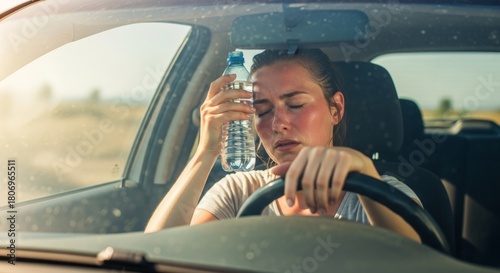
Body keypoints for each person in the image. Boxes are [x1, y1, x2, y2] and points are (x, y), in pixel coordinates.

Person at [145, 49, 421, 242]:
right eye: (262, 111)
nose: (278, 124)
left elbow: (419, 264)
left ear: (335, 109)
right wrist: (205, 153)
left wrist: (364, 172)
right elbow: (157, 255)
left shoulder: (384, 194)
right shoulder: (237, 191)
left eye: (296, 105)